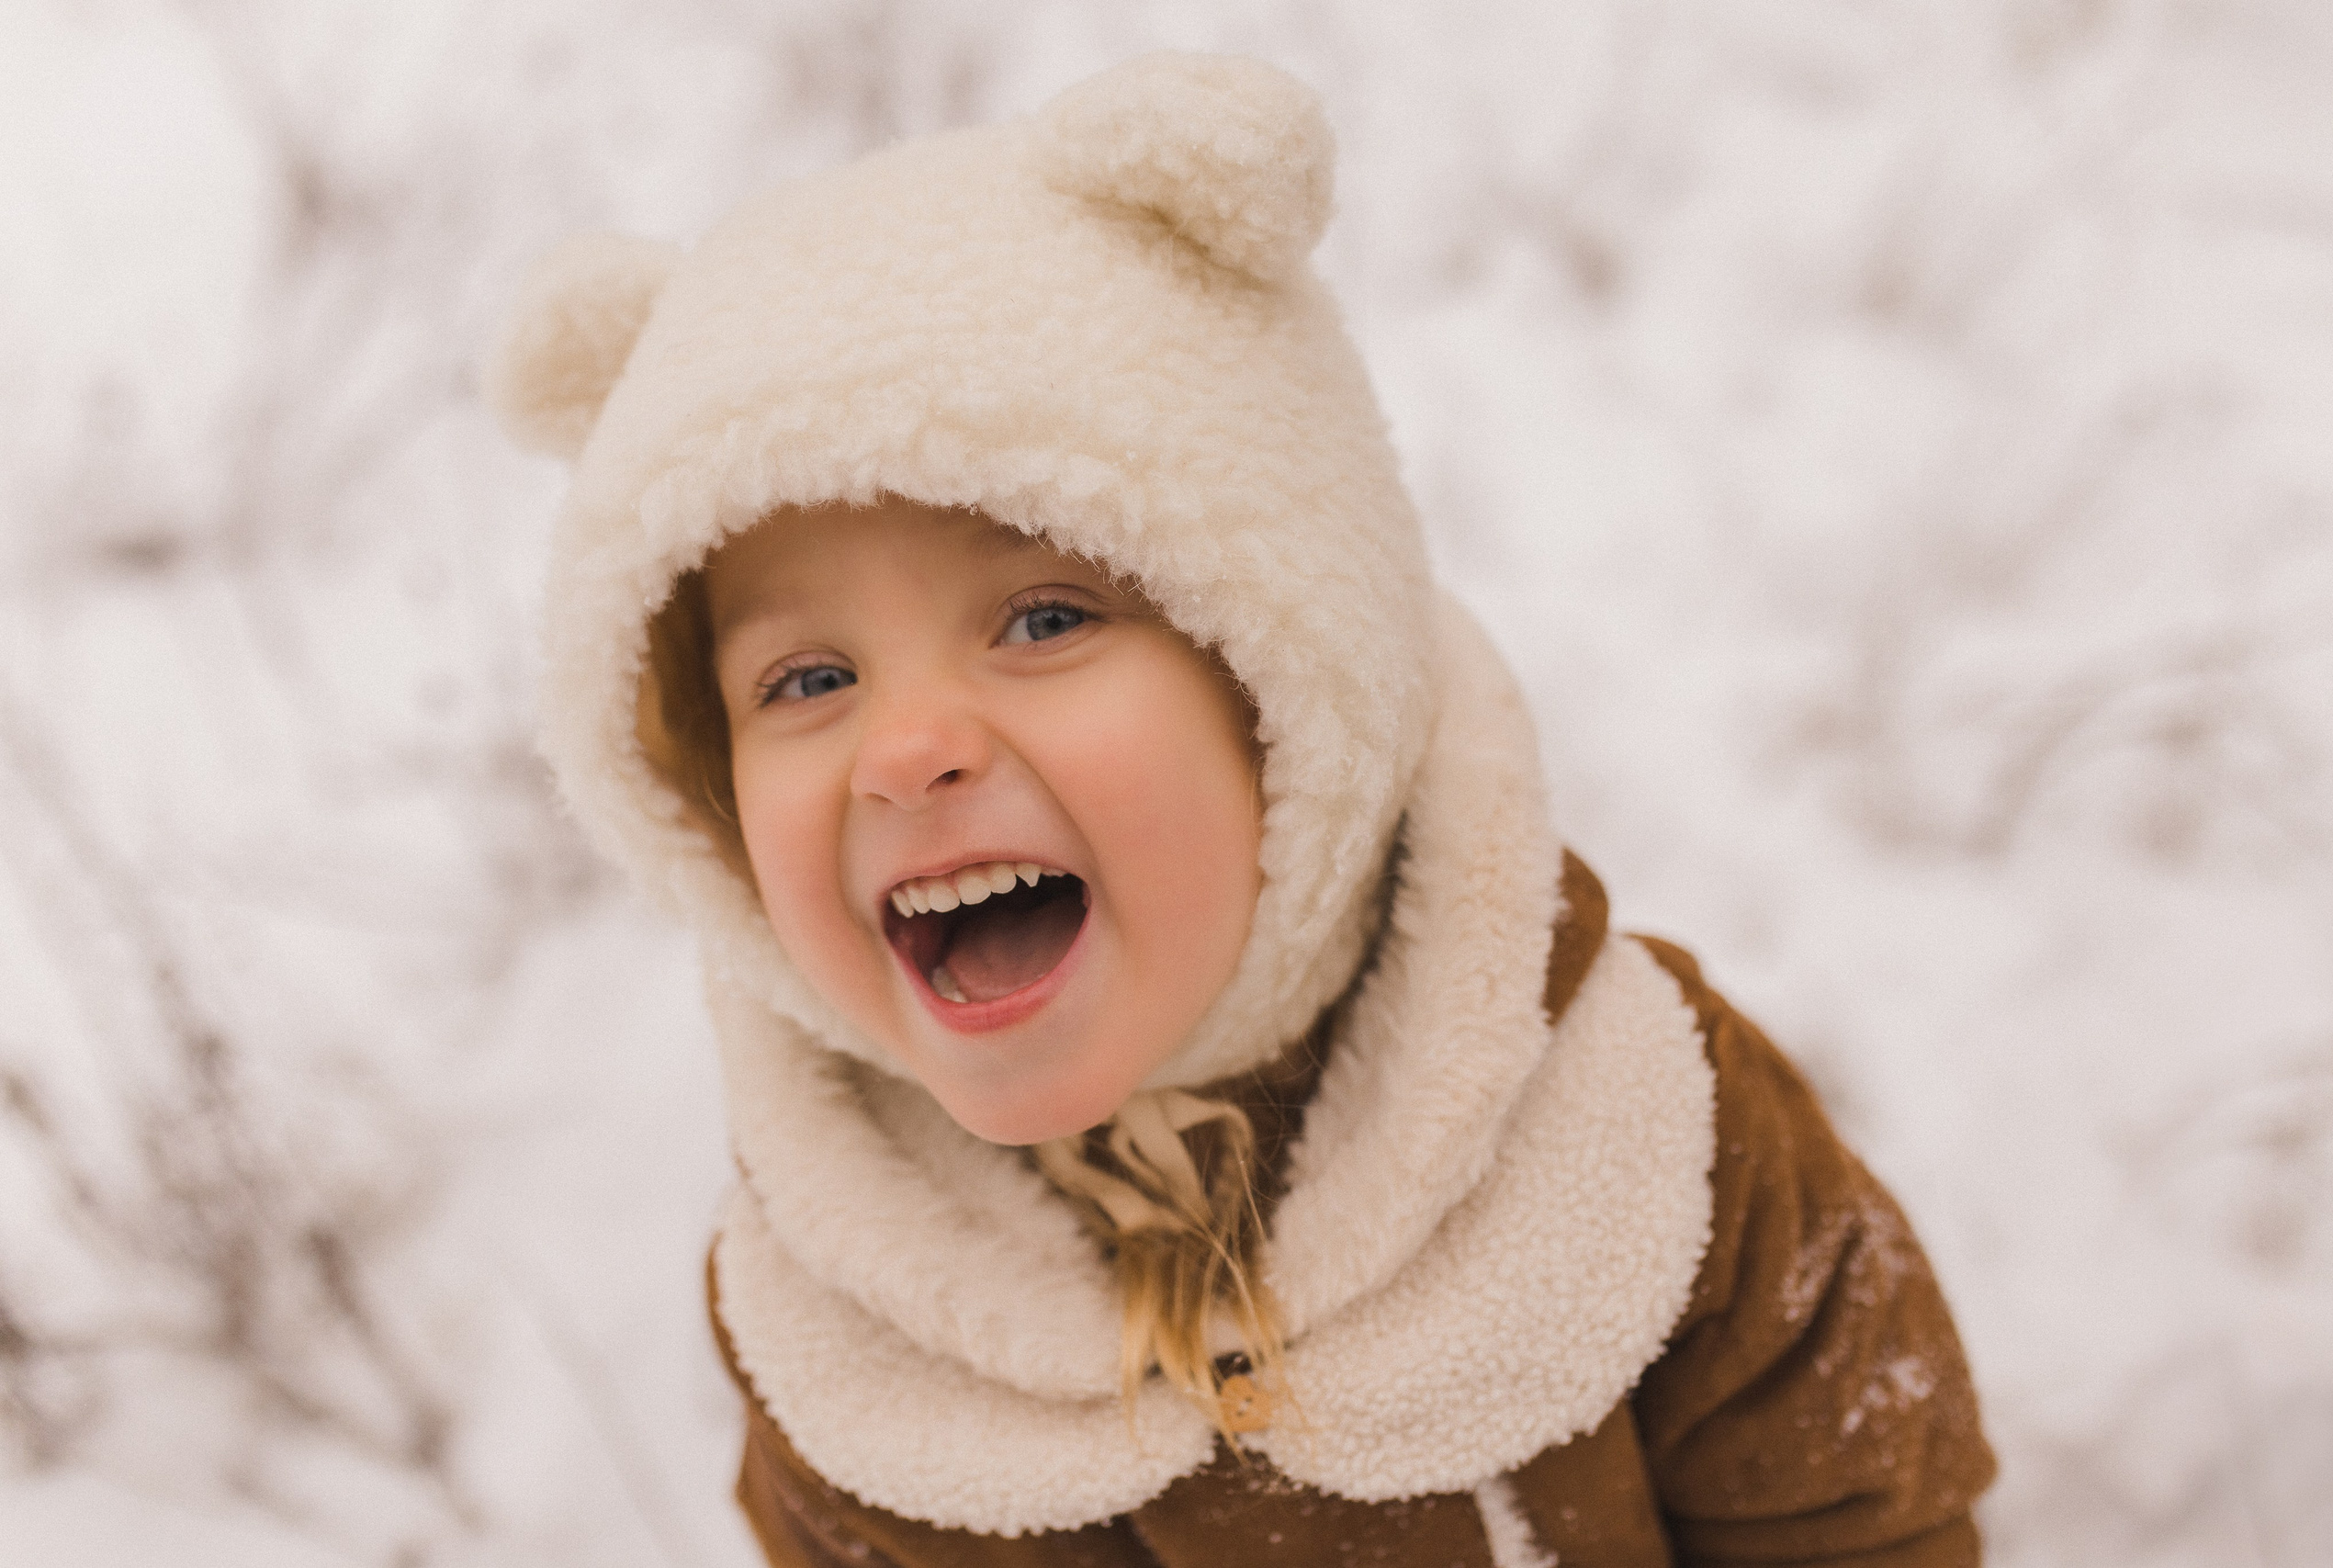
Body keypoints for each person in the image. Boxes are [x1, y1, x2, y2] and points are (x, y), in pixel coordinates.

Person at [488, 52, 1996, 1568]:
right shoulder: (850, 1326)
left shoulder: (1647, 1135)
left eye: (1044, 618)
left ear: (1285, 685)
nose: (907, 749)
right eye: (808, 680)